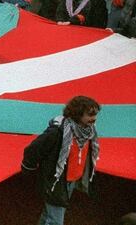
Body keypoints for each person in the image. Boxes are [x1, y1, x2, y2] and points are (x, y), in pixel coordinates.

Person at [22, 96, 101, 225]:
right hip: (55, 182)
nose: (94, 118)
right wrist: (29, 171)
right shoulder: (57, 133)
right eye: (90, 115)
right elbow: (32, 150)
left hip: (70, 181)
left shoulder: (90, 131)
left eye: (95, 114)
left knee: (49, 214)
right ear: (77, 114)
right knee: (55, 220)